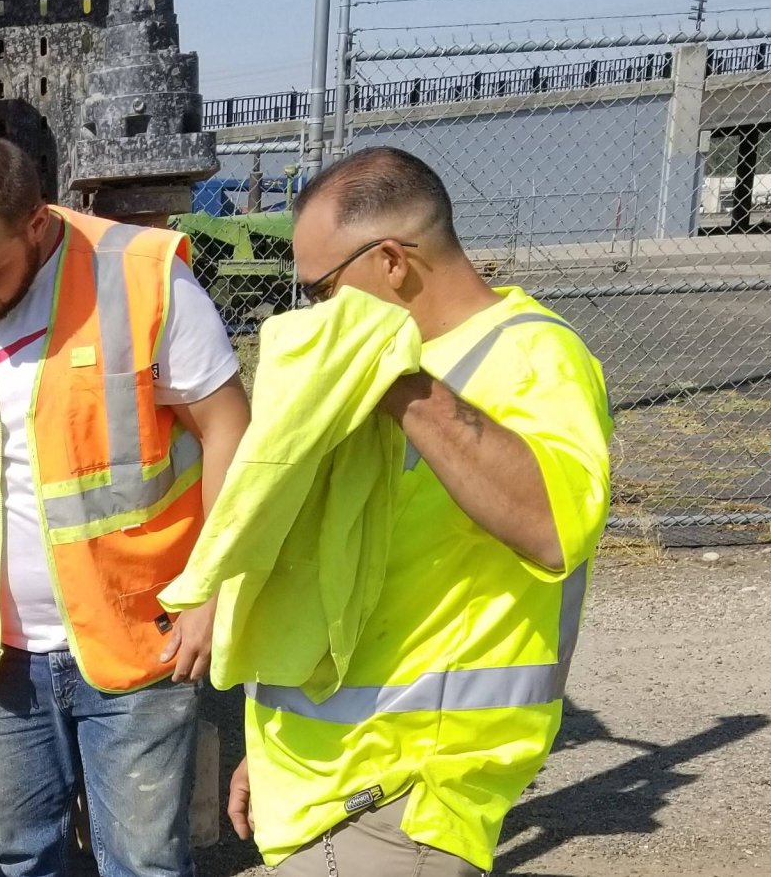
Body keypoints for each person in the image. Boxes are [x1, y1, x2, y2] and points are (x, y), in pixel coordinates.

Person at [223, 147, 611, 876]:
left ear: (392, 262)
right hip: (330, 788)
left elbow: (554, 528)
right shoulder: (369, 371)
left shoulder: (532, 358)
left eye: (323, 289)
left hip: (405, 794)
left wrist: (399, 379)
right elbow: (330, 584)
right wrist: (273, 756)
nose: (315, 312)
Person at [0, 135, 252, 877]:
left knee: (143, 863)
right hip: (0, 654)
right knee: (20, 858)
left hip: (141, 644)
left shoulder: (142, 279)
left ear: (38, 226)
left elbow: (230, 434)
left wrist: (217, 588)